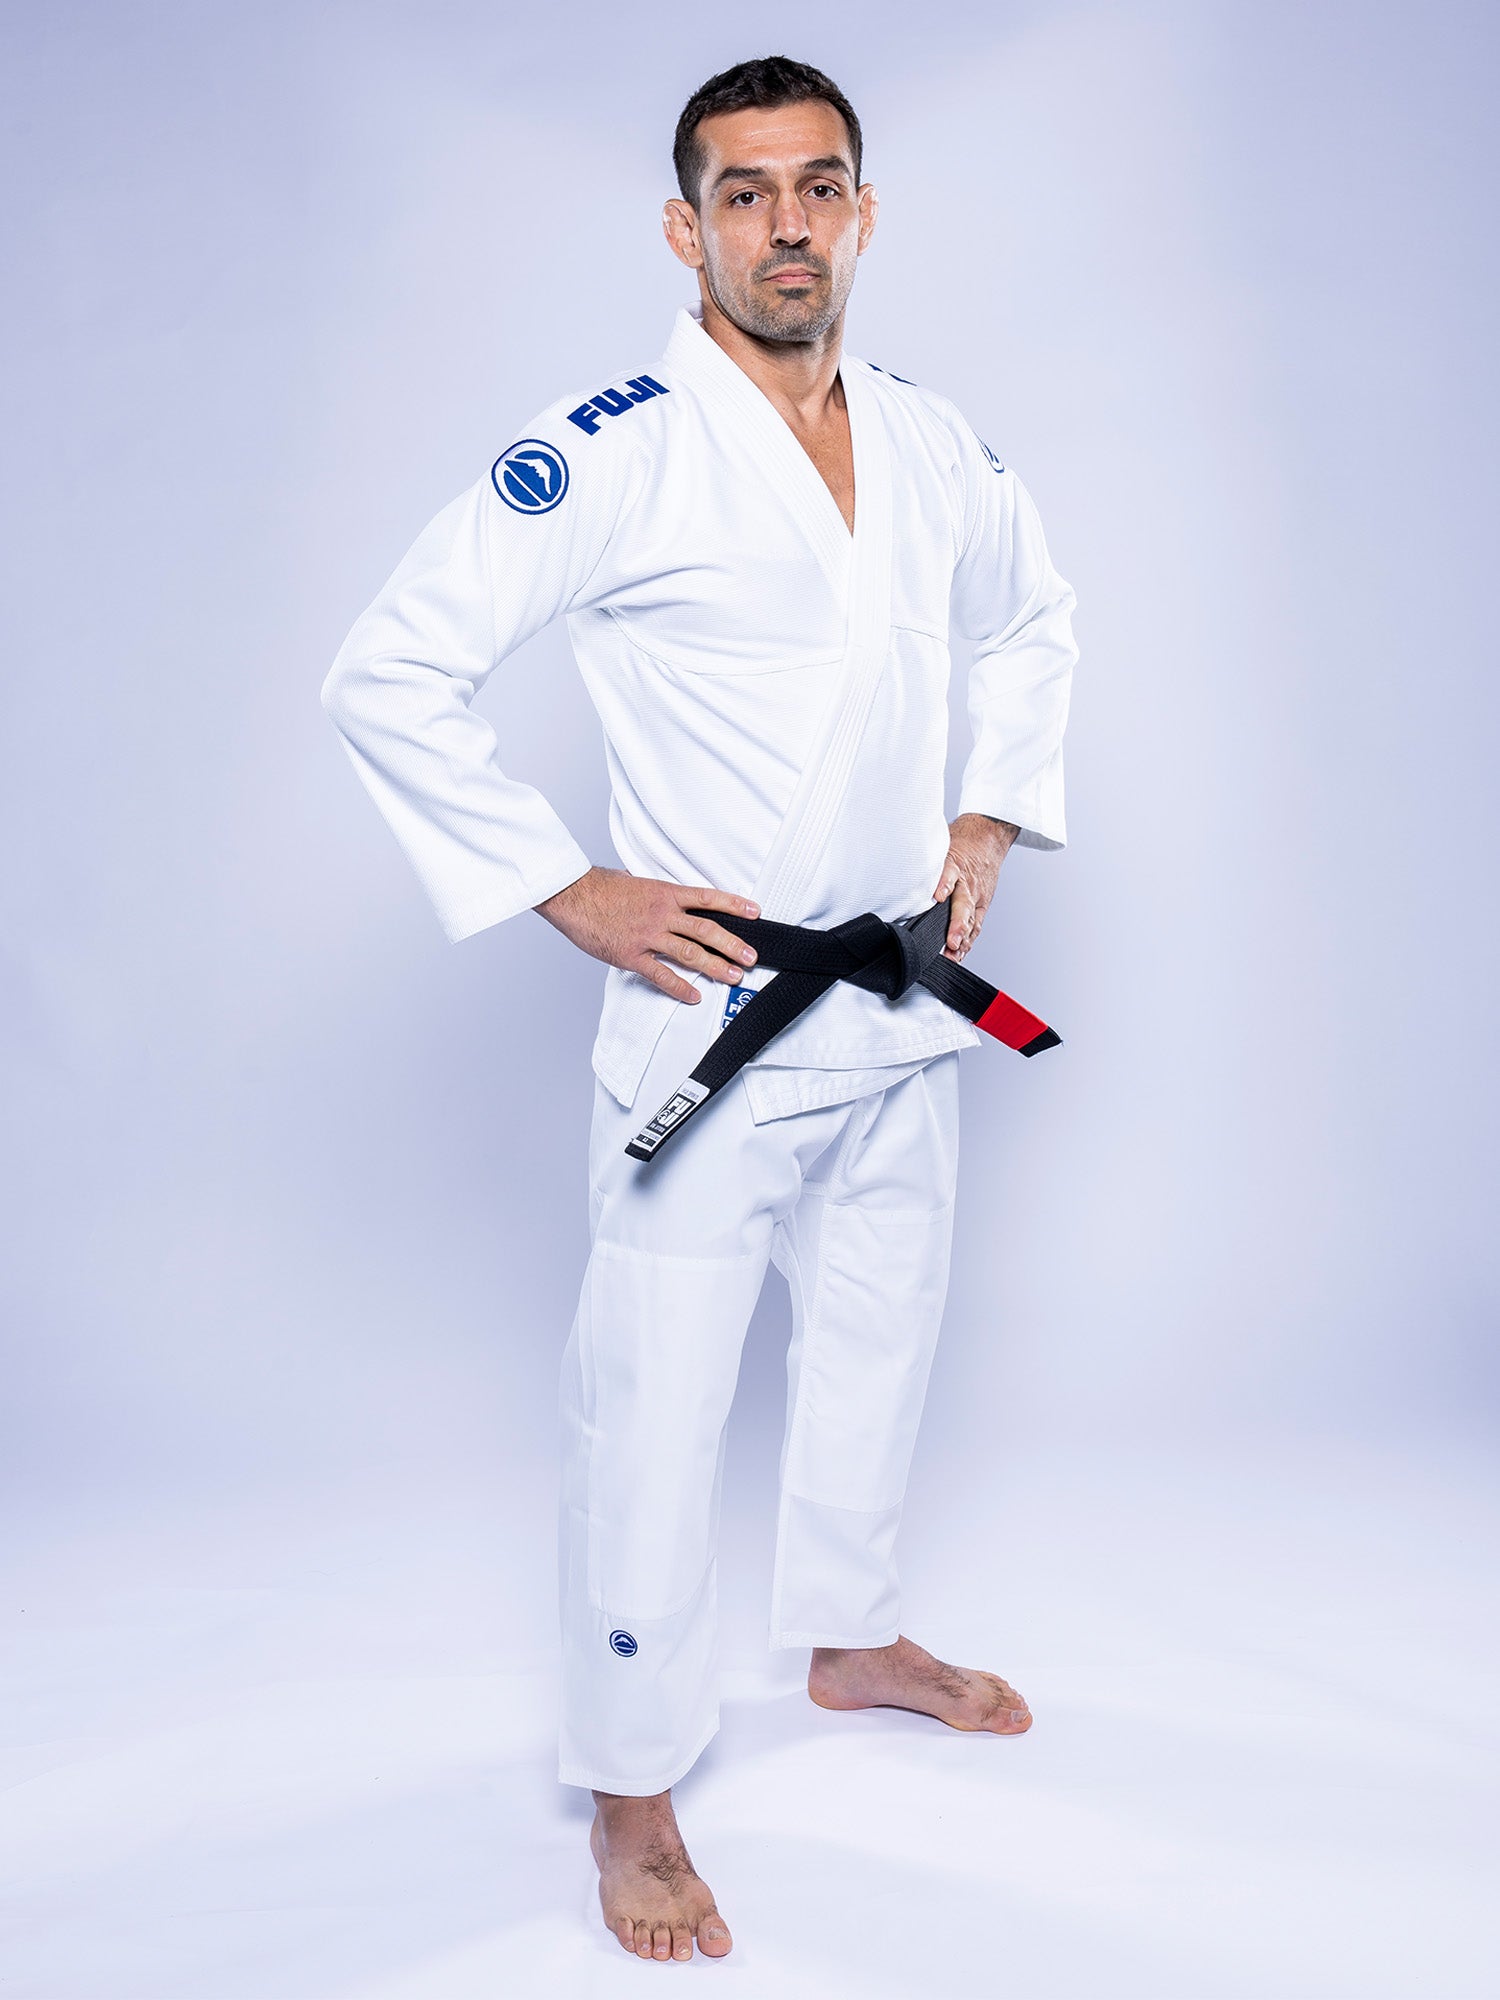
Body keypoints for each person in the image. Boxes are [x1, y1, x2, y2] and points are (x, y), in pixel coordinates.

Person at [321, 53, 1077, 1964]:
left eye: (820, 185)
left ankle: (846, 1631)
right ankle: (635, 1782)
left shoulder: (925, 435)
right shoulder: (616, 441)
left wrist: (990, 805)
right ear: (687, 229)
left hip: (900, 986)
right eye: (745, 194)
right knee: (652, 1409)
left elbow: (1034, 611)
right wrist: (560, 886)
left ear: (866, 211)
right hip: (716, 1010)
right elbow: (389, 671)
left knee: (886, 1325)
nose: (790, 223)